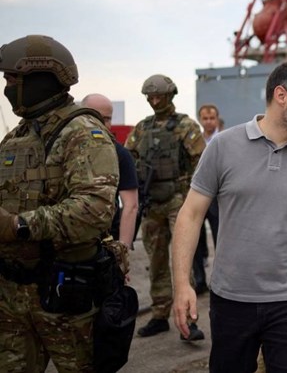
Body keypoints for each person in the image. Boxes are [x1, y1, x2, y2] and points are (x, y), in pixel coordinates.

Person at [171, 61, 287, 372]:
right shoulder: (223, 146)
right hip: (231, 300)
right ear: (282, 96)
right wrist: (182, 284)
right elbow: (191, 215)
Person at [0, 35, 119, 371]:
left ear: (41, 79)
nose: (7, 88)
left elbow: (94, 210)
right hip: (12, 296)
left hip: (64, 293)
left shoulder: (82, 132)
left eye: (13, 80)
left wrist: (19, 226)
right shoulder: (18, 135)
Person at [125, 74, 206, 341]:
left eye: (159, 96)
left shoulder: (185, 126)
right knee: (156, 260)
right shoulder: (142, 128)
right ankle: (159, 314)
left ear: (170, 95)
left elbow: (201, 163)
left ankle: (189, 320)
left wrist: (193, 196)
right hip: (152, 202)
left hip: (178, 200)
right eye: (150, 97)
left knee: (182, 260)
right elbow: (129, 159)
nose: (154, 101)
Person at [82, 93, 139, 252]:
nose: (102, 124)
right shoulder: (62, 149)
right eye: (96, 117)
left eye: (107, 119)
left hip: (105, 241)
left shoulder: (120, 154)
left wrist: (123, 250)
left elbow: (131, 205)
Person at [192, 103, 222, 295]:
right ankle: (199, 279)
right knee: (196, 238)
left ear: (217, 119)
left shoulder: (225, 140)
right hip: (199, 194)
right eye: (205, 118)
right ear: (200, 120)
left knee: (221, 237)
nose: (209, 122)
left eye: (212, 118)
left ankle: (220, 280)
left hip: (219, 197)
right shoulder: (195, 141)